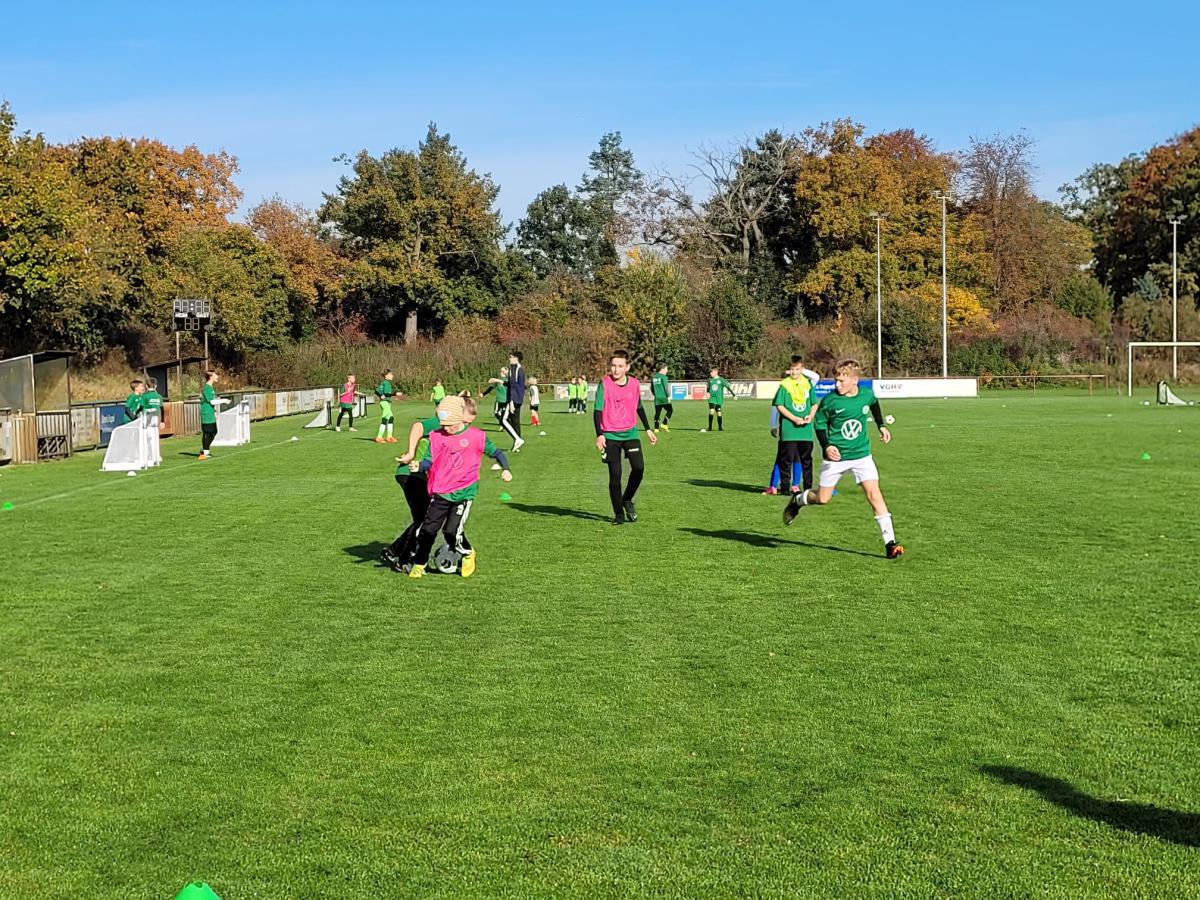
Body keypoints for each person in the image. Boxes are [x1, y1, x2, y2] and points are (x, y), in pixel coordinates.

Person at [783, 359, 904, 559]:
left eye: (842, 381)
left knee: (874, 495)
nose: (837, 385)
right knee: (822, 499)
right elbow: (819, 424)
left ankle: (890, 543)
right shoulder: (830, 401)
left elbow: (874, 404)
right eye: (836, 381)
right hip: (836, 459)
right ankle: (798, 500)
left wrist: (881, 425)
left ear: (855, 380)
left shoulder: (866, 394)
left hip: (861, 455)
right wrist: (827, 445)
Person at [402, 395, 513, 579]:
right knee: (428, 530)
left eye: (449, 424)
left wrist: (506, 468)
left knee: (451, 532)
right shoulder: (436, 436)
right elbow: (428, 461)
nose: (445, 428)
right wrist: (418, 465)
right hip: (440, 492)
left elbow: (497, 453)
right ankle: (419, 565)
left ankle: (468, 552)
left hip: (463, 493)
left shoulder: (477, 436)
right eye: (443, 424)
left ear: (459, 418)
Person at [594, 349, 658, 525]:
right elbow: (597, 410)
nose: (616, 369)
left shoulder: (635, 384)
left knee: (639, 468)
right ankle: (618, 515)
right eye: (613, 365)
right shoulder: (604, 384)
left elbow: (638, 407)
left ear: (627, 367)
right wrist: (600, 435)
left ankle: (627, 499)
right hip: (610, 435)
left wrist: (648, 429)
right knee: (615, 476)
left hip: (630, 433)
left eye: (620, 366)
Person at [771, 356, 820, 495]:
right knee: (786, 461)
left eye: (797, 369)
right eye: (792, 369)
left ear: (802, 370)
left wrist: (810, 416)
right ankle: (785, 489)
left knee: (807, 462)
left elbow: (814, 404)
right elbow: (779, 405)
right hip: (789, 430)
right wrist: (794, 419)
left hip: (806, 431)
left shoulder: (808, 384)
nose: (794, 372)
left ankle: (808, 488)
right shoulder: (784, 386)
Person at [503, 351, 526, 451]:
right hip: (518, 398)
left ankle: (518, 439)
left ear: (516, 358)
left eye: (511, 357)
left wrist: (511, 401)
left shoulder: (516, 369)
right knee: (515, 421)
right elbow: (512, 384)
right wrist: (500, 381)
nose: (509, 359)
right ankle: (517, 444)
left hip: (514, 399)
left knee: (503, 420)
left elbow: (513, 386)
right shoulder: (518, 369)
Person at [198, 371, 223, 460]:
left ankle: (204, 449)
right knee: (207, 432)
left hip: (211, 413)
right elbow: (211, 401)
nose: (217, 376)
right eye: (215, 375)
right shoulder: (206, 387)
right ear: (210, 376)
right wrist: (223, 401)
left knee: (214, 431)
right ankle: (205, 452)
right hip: (206, 414)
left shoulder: (211, 387)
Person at [705, 367, 735, 431]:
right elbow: (708, 387)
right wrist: (707, 392)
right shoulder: (710, 380)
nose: (710, 374)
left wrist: (733, 395)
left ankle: (720, 427)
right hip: (712, 398)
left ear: (716, 372)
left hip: (719, 398)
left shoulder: (721, 380)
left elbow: (728, 387)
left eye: (711, 372)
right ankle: (710, 427)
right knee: (711, 411)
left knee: (719, 412)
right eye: (710, 372)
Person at [375, 369, 398, 444]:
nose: (392, 376)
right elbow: (387, 394)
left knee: (391, 417)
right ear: (386, 376)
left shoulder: (384, 383)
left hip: (386, 402)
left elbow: (376, 391)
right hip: (385, 403)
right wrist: (395, 394)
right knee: (385, 418)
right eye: (390, 374)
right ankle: (379, 437)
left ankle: (389, 436)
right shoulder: (386, 383)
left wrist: (380, 395)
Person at [651, 364, 673, 432]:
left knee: (657, 413)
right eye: (666, 369)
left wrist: (656, 394)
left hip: (657, 398)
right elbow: (665, 387)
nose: (667, 371)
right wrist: (668, 396)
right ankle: (664, 424)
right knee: (670, 410)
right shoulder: (664, 377)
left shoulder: (653, 377)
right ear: (662, 369)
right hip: (664, 398)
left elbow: (651, 388)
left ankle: (656, 428)